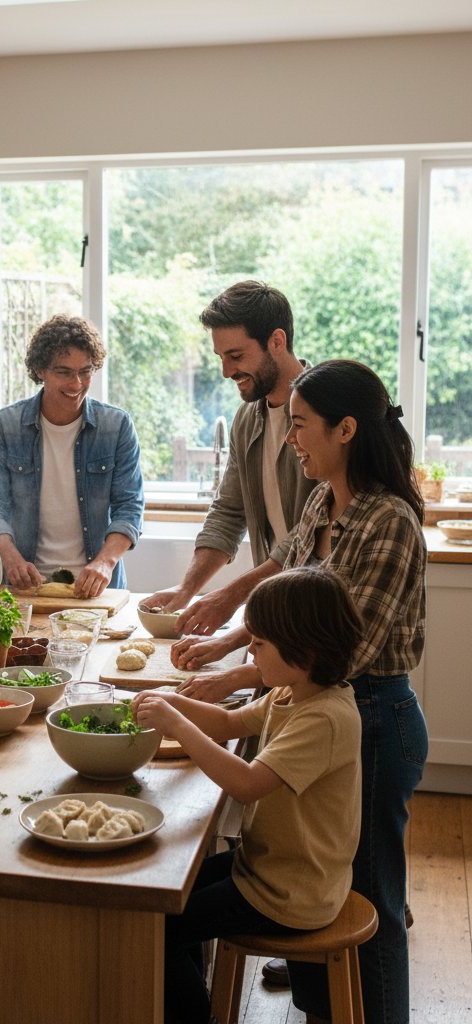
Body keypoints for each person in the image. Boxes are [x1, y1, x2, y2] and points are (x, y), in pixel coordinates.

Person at [180, 359, 428, 1022]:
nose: (292, 439)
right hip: (322, 702)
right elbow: (286, 592)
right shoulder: (323, 497)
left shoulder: (389, 522)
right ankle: (326, 1010)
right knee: (331, 888)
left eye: (301, 426)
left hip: (373, 716)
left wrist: (232, 674)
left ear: (345, 429)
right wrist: (229, 641)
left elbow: (340, 650)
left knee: (371, 901)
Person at [133, 567, 363, 1024]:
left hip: (290, 893)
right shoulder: (290, 691)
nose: (250, 652)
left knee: (164, 930)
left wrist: (176, 724)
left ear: (305, 649)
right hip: (267, 869)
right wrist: (173, 701)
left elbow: (246, 782)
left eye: (259, 644)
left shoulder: (326, 718)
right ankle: (194, 1002)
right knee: (165, 897)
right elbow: (229, 724)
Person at [140, 281, 315, 692]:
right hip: (278, 619)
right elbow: (228, 512)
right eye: (220, 357)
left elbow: (311, 539)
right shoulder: (247, 419)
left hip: (316, 627)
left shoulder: (322, 414)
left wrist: (231, 602)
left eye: (236, 356)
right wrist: (188, 589)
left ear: (277, 341)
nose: (225, 371)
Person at [0, 314, 143, 598]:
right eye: (64, 372)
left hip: (96, 588)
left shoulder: (117, 426)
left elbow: (130, 506)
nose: (76, 384)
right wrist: (11, 559)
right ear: (41, 370)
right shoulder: (6, 426)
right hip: (26, 587)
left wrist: (105, 562)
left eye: (85, 371)